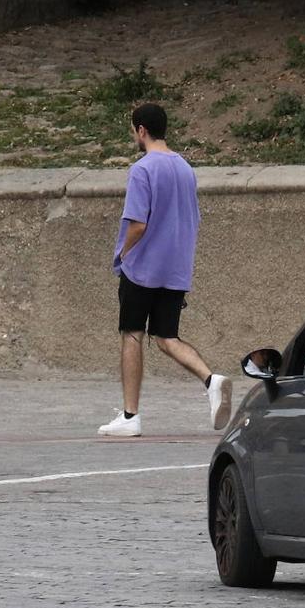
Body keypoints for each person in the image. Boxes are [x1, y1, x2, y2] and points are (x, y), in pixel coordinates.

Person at [97, 103, 232, 437]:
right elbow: (193, 219)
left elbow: (137, 223)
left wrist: (123, 254)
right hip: (175, 268)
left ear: (141, 130)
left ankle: (130, 416)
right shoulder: (185, 168)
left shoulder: (142, 170)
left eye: (133, 130)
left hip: (142, 266)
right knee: (166, 337)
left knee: (132, 334)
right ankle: (211, 380)